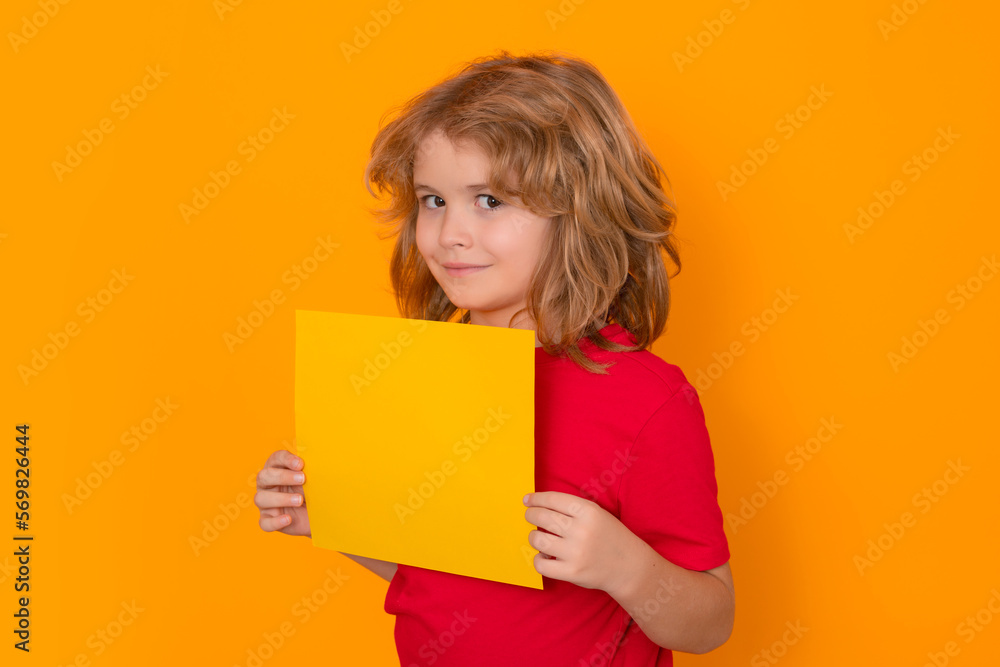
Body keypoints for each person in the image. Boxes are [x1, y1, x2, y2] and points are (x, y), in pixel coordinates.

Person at [255, 49, 734, 666]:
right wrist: (335, 514)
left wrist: (627, 567)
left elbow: (710, 620)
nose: (450, 232)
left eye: (488, 201)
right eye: (433, 200)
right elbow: (445, 573)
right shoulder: (423, 375)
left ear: (580, 213)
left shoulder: (646, 400)